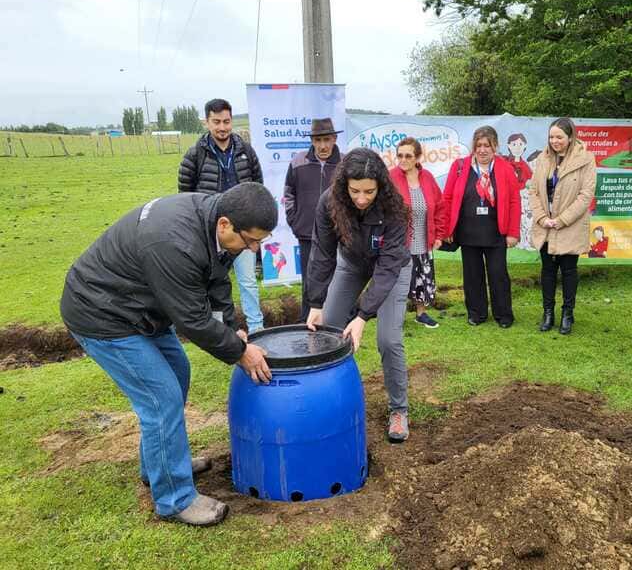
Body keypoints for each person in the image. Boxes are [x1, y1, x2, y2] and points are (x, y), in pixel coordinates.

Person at [60, 183, 278, 526]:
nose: (254, 248)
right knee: (161, 398)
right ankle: (175, 499)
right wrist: (240, 352)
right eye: (251, 240)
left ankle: (160, 466)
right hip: (103, 314)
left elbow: (217, 281)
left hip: (143, 308)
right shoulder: (175, 242)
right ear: (225, 224)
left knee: (178, 372)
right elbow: (191, 319)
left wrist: (230, 327)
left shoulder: (215, 225)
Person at [305, 148, 413, 442]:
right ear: (345, 186)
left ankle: (399, 410)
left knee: (388, 339)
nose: (362, 198)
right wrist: (315, 302)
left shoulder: (395, 208)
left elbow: (387, 269)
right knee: (327, 329)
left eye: (369, 191)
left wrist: (363, 315)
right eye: (355, 191)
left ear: (380, 186)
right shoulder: (330, 202)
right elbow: (322, 253)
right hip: (352, 264)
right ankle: (328, 402)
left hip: (391, 268)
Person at [178, 98, 265, 334]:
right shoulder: (195, 155)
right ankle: (219, 331)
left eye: (226, 121)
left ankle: (257, 329)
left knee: (248, 281)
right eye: (216, 122)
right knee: (212, 282)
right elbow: (185, 196)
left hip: (243, 228)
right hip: (211, 233)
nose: (222, 127)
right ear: (206, 122)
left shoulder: (245, 151)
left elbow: (258, 186)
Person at [442, 126, 521, 328]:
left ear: (495, 146)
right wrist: (447, 229)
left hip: (496, 233)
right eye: (478, 145)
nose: (482, 150)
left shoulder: (506, 168)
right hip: (468, 232)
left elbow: (514, 201)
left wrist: (513, 232)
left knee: (498, 274)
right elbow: (448, 198)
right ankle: (476, 313)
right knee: (472, 275)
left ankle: (503, 314)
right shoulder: (460, 166)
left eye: (487, 145)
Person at [529, 117, 597, 335]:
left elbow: (585, 195)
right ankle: (548, 313)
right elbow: (533, 192)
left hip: (570, 226)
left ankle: (568, 313)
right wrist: (542, 218)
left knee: (569, 271)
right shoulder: (543, 159)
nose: (554, 141)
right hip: (545, 226)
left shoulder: (586, 159)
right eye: (551, 137)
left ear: (570, 137)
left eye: (559, 137)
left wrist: (562, 220)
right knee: (547, 271)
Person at [284, 118, 343, 321]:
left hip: (338, 236)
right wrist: (295, 221)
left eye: (327, 139)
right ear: (312, 140)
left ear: (334, 139)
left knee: (338, 280)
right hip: (307, 234)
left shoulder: (345, 164)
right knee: (310, 281)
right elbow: (288, 194)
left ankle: (336, 323)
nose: (322, 145)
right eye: (318, 140)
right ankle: (306, 323)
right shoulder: (297, 162)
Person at [389, 137, 447, 328]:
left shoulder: (427, 177)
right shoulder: (391, 177)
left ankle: (421, 314)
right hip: (399, 242)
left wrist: (439, 235)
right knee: (398, 279)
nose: (403, 160)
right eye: (400, 156)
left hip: (423, 240)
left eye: (408, 156)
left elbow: (439, 207)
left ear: (418, 157)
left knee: (422, 277)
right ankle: (395, 316)